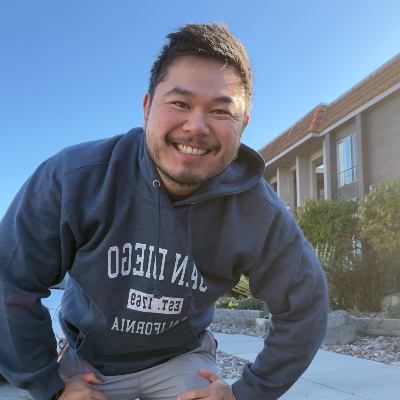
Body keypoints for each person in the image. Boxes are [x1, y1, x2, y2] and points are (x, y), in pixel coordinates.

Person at [0, 23, 328, 400]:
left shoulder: (257, 211)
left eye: (221, 111)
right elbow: (10, 279)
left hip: (182, 358)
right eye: (180, 103)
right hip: (90, 360)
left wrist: (246, 393)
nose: (196, 126)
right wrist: (51, 387)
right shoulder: (75, 179)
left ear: (243, 125)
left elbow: (306, 305)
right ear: (147, 107)